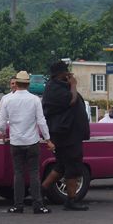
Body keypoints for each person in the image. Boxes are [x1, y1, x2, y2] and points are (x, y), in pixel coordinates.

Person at [0, 70, 53, 214]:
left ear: (17, 83)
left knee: (18, 173)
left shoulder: (8, 100)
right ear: (28, 84)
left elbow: (2, 122)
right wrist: (48, 139)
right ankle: (38, 205)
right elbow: (41, 121)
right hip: (32, 141)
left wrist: (2, 134)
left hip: (16, 142)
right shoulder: (35, 100)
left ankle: (18, 205)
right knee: (34, 173)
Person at [39, 60, 91, 211]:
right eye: (66, 71)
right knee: (73, 166)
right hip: (67, 134)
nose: (68, 74)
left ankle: (41, 191)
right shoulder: (54, 88)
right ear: (59, 73)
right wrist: (73, 84)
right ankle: (71, 200)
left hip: (67, 133)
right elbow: (71, 100)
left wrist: (69, 84)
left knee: (61, 165)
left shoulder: (57, 86)